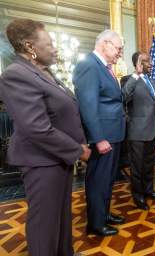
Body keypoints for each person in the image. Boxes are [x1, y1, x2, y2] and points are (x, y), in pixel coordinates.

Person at [0, 19, 91, 256]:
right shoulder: (16, 74)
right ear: (31, 47)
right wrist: (78, 150)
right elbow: (37, 127)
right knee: (44, 224)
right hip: (41, 161)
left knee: (60, 215)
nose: (55, 48)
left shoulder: (46, 72)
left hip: (57, 159)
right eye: (49, 43)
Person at [73, 30, 126, 237]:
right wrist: (98, 138)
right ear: (105, 44)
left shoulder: (104, 67)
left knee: (108, 178)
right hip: (103, 136)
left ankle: (104, 214)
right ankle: (95, 223)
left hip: (113, 133)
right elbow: (88, 106)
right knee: (98, 179)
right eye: (118, 48)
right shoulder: (89, 65)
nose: (120, 53)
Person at [122, 51, 155, 210]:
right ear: (137, 63)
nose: (151, 63)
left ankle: (148, 190)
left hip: (152, 130)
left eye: (150, 61)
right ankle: (138, 196)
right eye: (146, 61)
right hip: (137, 132)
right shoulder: (128, 80)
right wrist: (136, 75)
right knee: (137, 166)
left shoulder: (153, 82)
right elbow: (123, 97)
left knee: (148, 164)